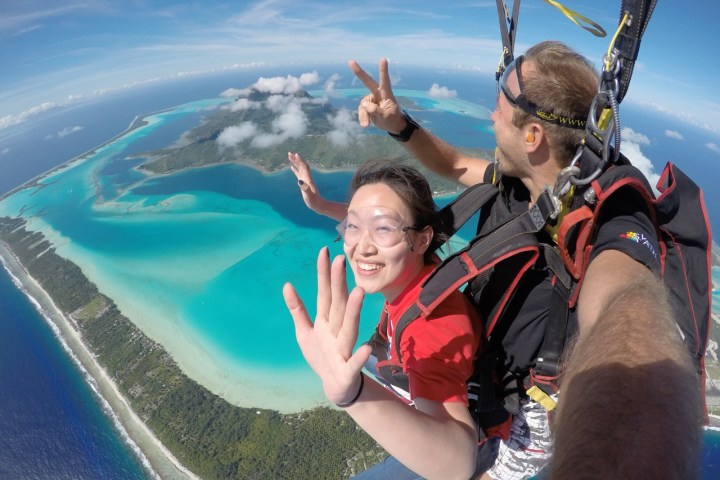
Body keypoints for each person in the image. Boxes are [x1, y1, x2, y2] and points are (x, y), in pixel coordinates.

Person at [291, 40, 703, 479]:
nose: (490, 116)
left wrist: (353, 394)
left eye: (499, 108)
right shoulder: (517, 180)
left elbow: (624, 300)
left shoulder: (610, 214)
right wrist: (399, 126)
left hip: (521, 420)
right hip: (484, 371)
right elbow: (450, 164)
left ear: (533, 136)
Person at [283, 160, 488, 480]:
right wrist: (322, 206)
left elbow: (459, 465)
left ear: (422, 240)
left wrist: (353, 396)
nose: (362, 247)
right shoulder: (422, 268)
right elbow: (376, 227)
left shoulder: (426, 333)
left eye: (382, 229)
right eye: (353, 226)